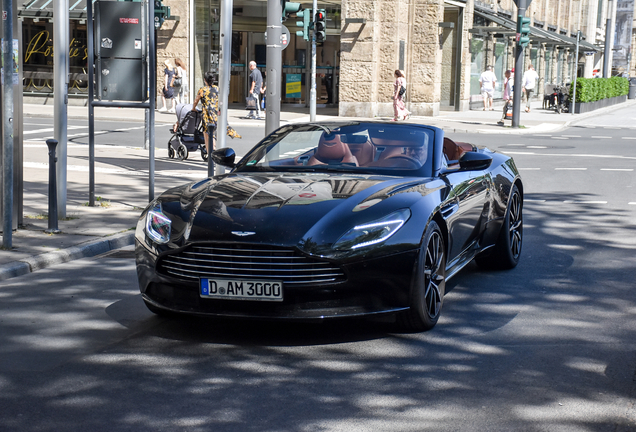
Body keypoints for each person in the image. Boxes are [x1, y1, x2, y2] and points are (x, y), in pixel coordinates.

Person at [191, 71, 242, 155]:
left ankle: (210, 152)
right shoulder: (217, 89)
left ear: (205, 80)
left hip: (207, 114)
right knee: (213, 131)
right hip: (215, 113)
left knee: (206, 133)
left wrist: (193, 108)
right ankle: (213, 148)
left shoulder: (203, 90)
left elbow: (196, 101)